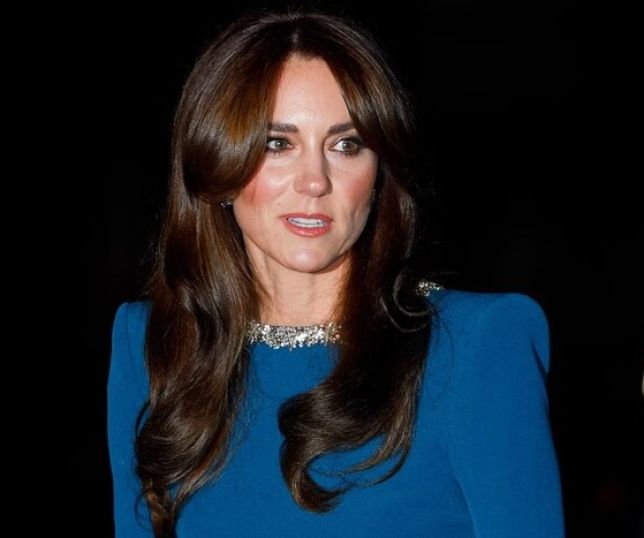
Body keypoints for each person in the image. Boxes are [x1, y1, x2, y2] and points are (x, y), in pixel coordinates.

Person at [107, 7, 565, 537]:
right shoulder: (153, 345)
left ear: (379, 172)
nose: (315, 181)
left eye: (346, 145)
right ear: (219, 165)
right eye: (278, 143)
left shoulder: (476, 345)